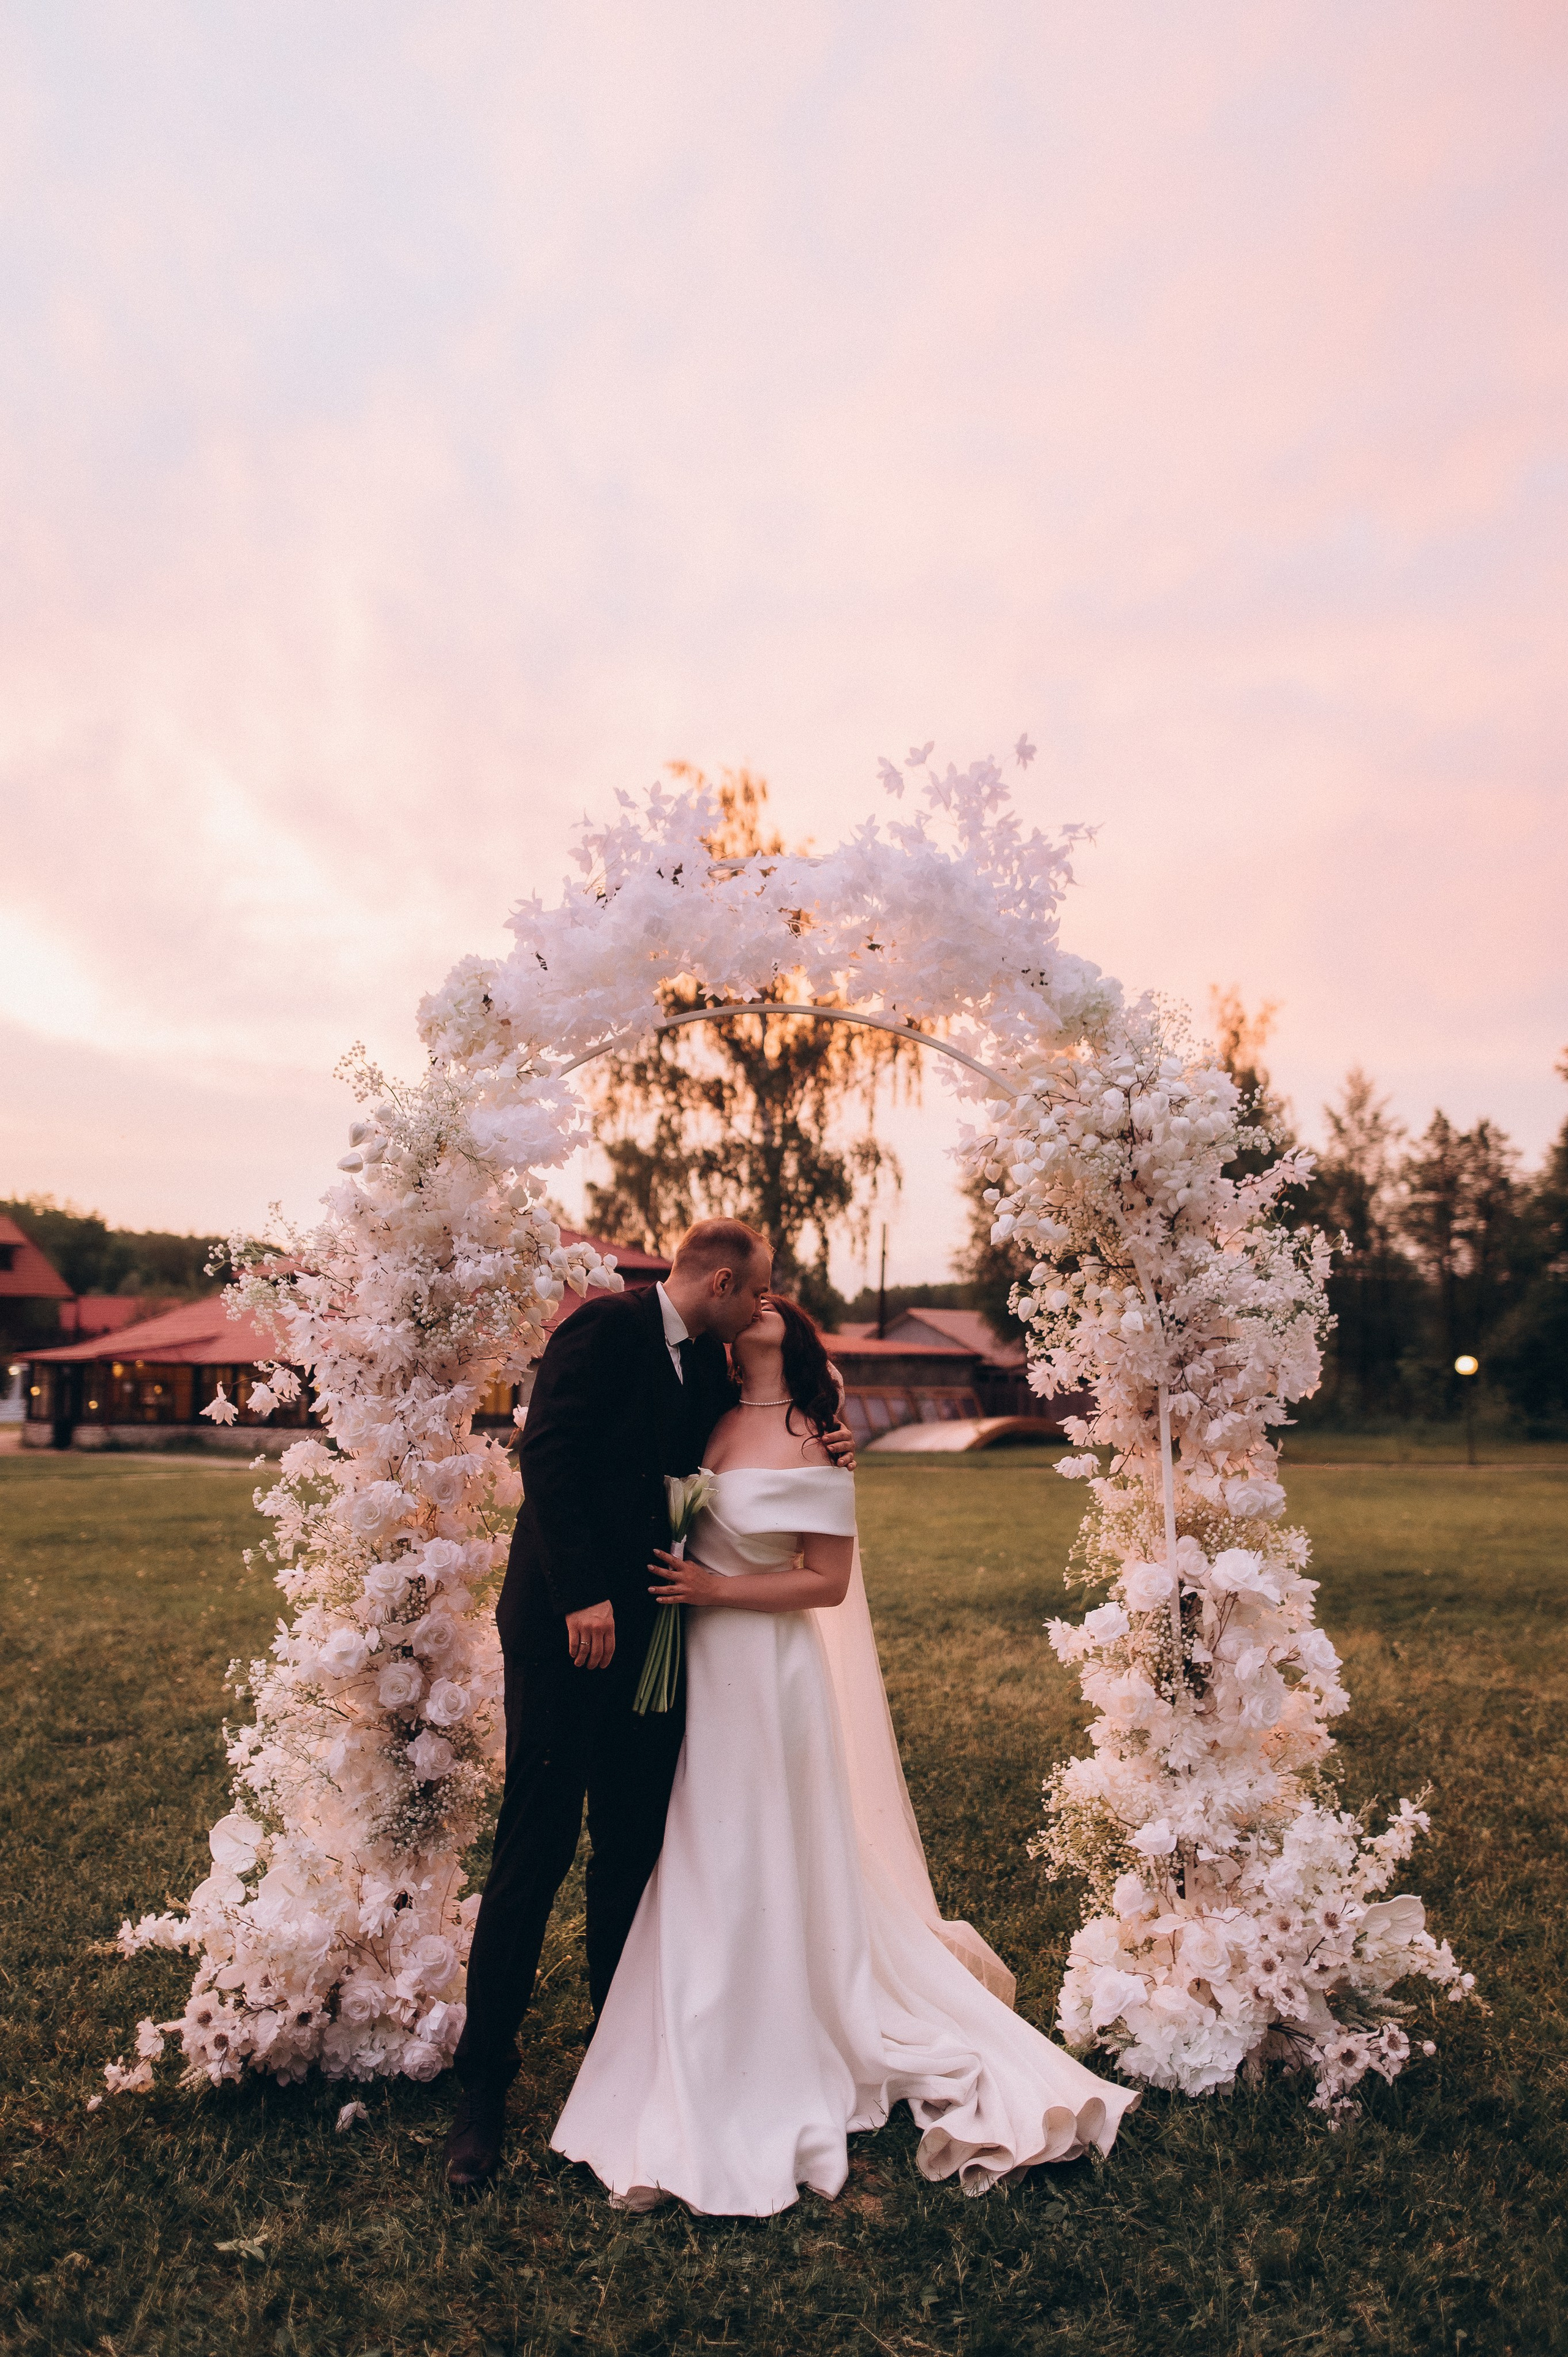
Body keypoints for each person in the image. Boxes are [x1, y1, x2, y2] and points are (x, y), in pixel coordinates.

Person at [551, 1295, 1139, 2216]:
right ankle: (691, 2035)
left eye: (774, 1306)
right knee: (701, 1847)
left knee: (764, 1843)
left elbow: (825, 1581)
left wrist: (715, 1583)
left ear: (796, 1335)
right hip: (696, 1668)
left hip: (768, 1666)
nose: (757, 1311)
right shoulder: (698, 1414)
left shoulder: (818, 1436)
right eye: (746, 1302)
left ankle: (775, 2039)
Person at [445, 1220, 854, 2193]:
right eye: (754, 1294)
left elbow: (765, 1435)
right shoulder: (601, 1329)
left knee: (631, 1850)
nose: (763, 1309)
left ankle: (617, 2059)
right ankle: (481, 2094)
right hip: (564, 1628)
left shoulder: (713, 1372)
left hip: (659, 1644)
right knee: (534, 1851)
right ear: (719, 1281)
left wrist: (830, 1436)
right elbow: (546, 1460)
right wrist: (583, 1592)